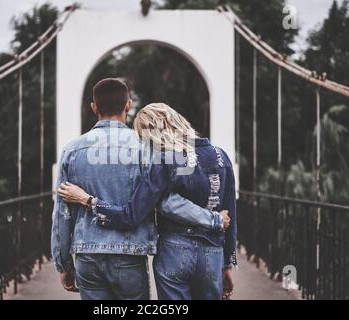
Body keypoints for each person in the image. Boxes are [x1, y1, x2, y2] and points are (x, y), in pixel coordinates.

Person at [51, 79, 228, 300]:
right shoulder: (147, 148)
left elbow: (62, 212)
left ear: (94, 107)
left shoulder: (71, 150)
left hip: (87, 254)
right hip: (130, 253)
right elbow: (166, 201)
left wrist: (63, 263)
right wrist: (213, 219)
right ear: (128, 105)